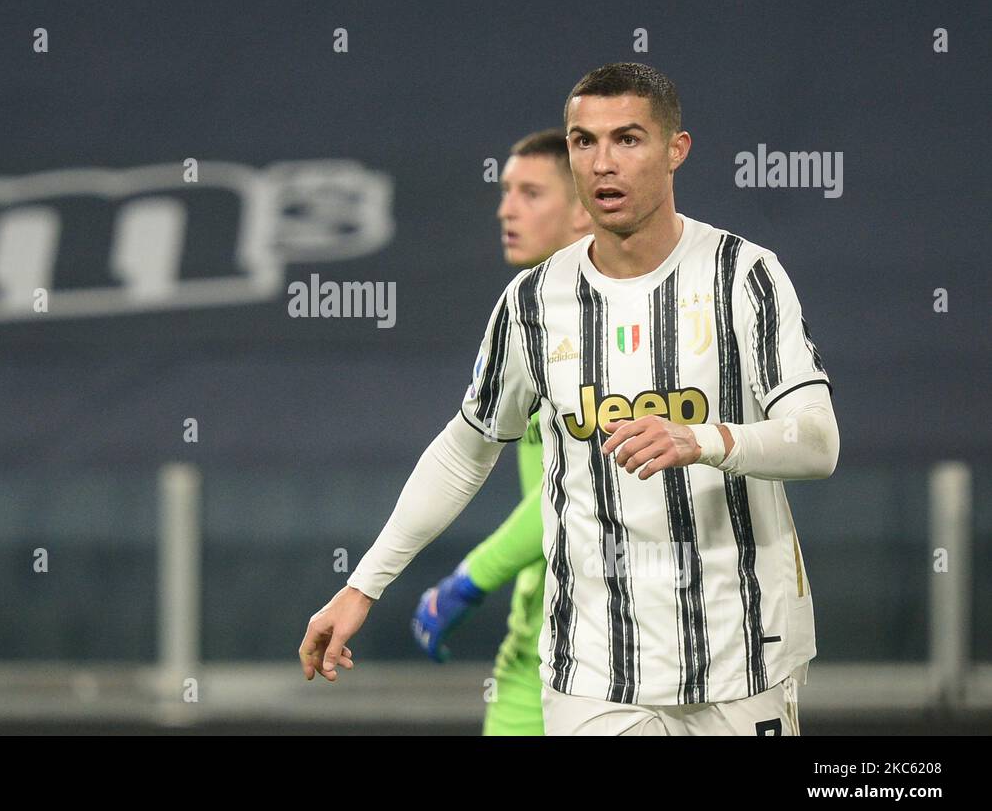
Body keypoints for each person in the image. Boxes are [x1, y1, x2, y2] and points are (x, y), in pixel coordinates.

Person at [299, 62, 839, 736]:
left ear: (677, 150)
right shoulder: (531, 302)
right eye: (584, 141)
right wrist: (363, 583)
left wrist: (705, 439)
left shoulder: (744, 276)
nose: (603, 162)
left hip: (744, 659)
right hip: (593, 672)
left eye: (629, 139)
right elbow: (466, 450)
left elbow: (817, 441)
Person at [409, 128, 590, 737]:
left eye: (531, 193)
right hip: (533, 641)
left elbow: (578, 490)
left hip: (614, 651)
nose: (505, 208)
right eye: (506, 190)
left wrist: (470, 577)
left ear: (585, 210)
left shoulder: (616, 331)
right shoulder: (524, 317)